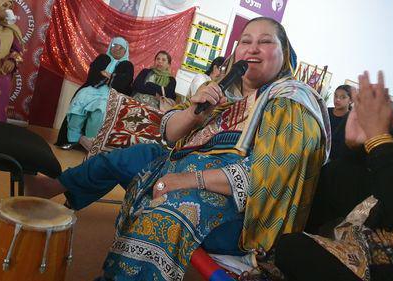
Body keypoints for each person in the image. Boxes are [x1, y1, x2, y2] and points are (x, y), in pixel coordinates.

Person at [26, 17, 330, 280]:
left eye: (265, 42)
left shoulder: (291, 101)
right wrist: (195, 110)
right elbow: (169, 134)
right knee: (135, 154)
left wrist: (186, 180)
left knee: (168, 210)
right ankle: (54, 185)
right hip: (183, 167)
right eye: (245, 41)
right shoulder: (225, 89)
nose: (252, 48)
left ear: (285, 53)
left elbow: (269, 177)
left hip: (239, 214)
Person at [276, 71, 393, 281]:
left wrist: (377, 139)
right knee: (336, 172)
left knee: (293, 249)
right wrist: (359, 145)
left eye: (265, 42)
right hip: (377, 207)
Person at [60, 37, 132, 150]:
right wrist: (109, 76)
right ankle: (72, 140)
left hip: (109, 94)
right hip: (91, 89)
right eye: (114, 46)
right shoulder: (102, 58)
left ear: (125, 50)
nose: (117, 49)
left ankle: (89, 143)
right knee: (76, 110)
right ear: (110, 47)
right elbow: (92, 74)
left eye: (120, 47)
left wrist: (109, 76)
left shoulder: (127, 65)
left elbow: (124, 82)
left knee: (99, 112)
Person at [328, 84, 353, 160]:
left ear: (350, 100)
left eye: (343, 97)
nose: (337, 99)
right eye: (336, 96)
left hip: (335, 161)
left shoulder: (352, 120)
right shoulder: (325, 111)